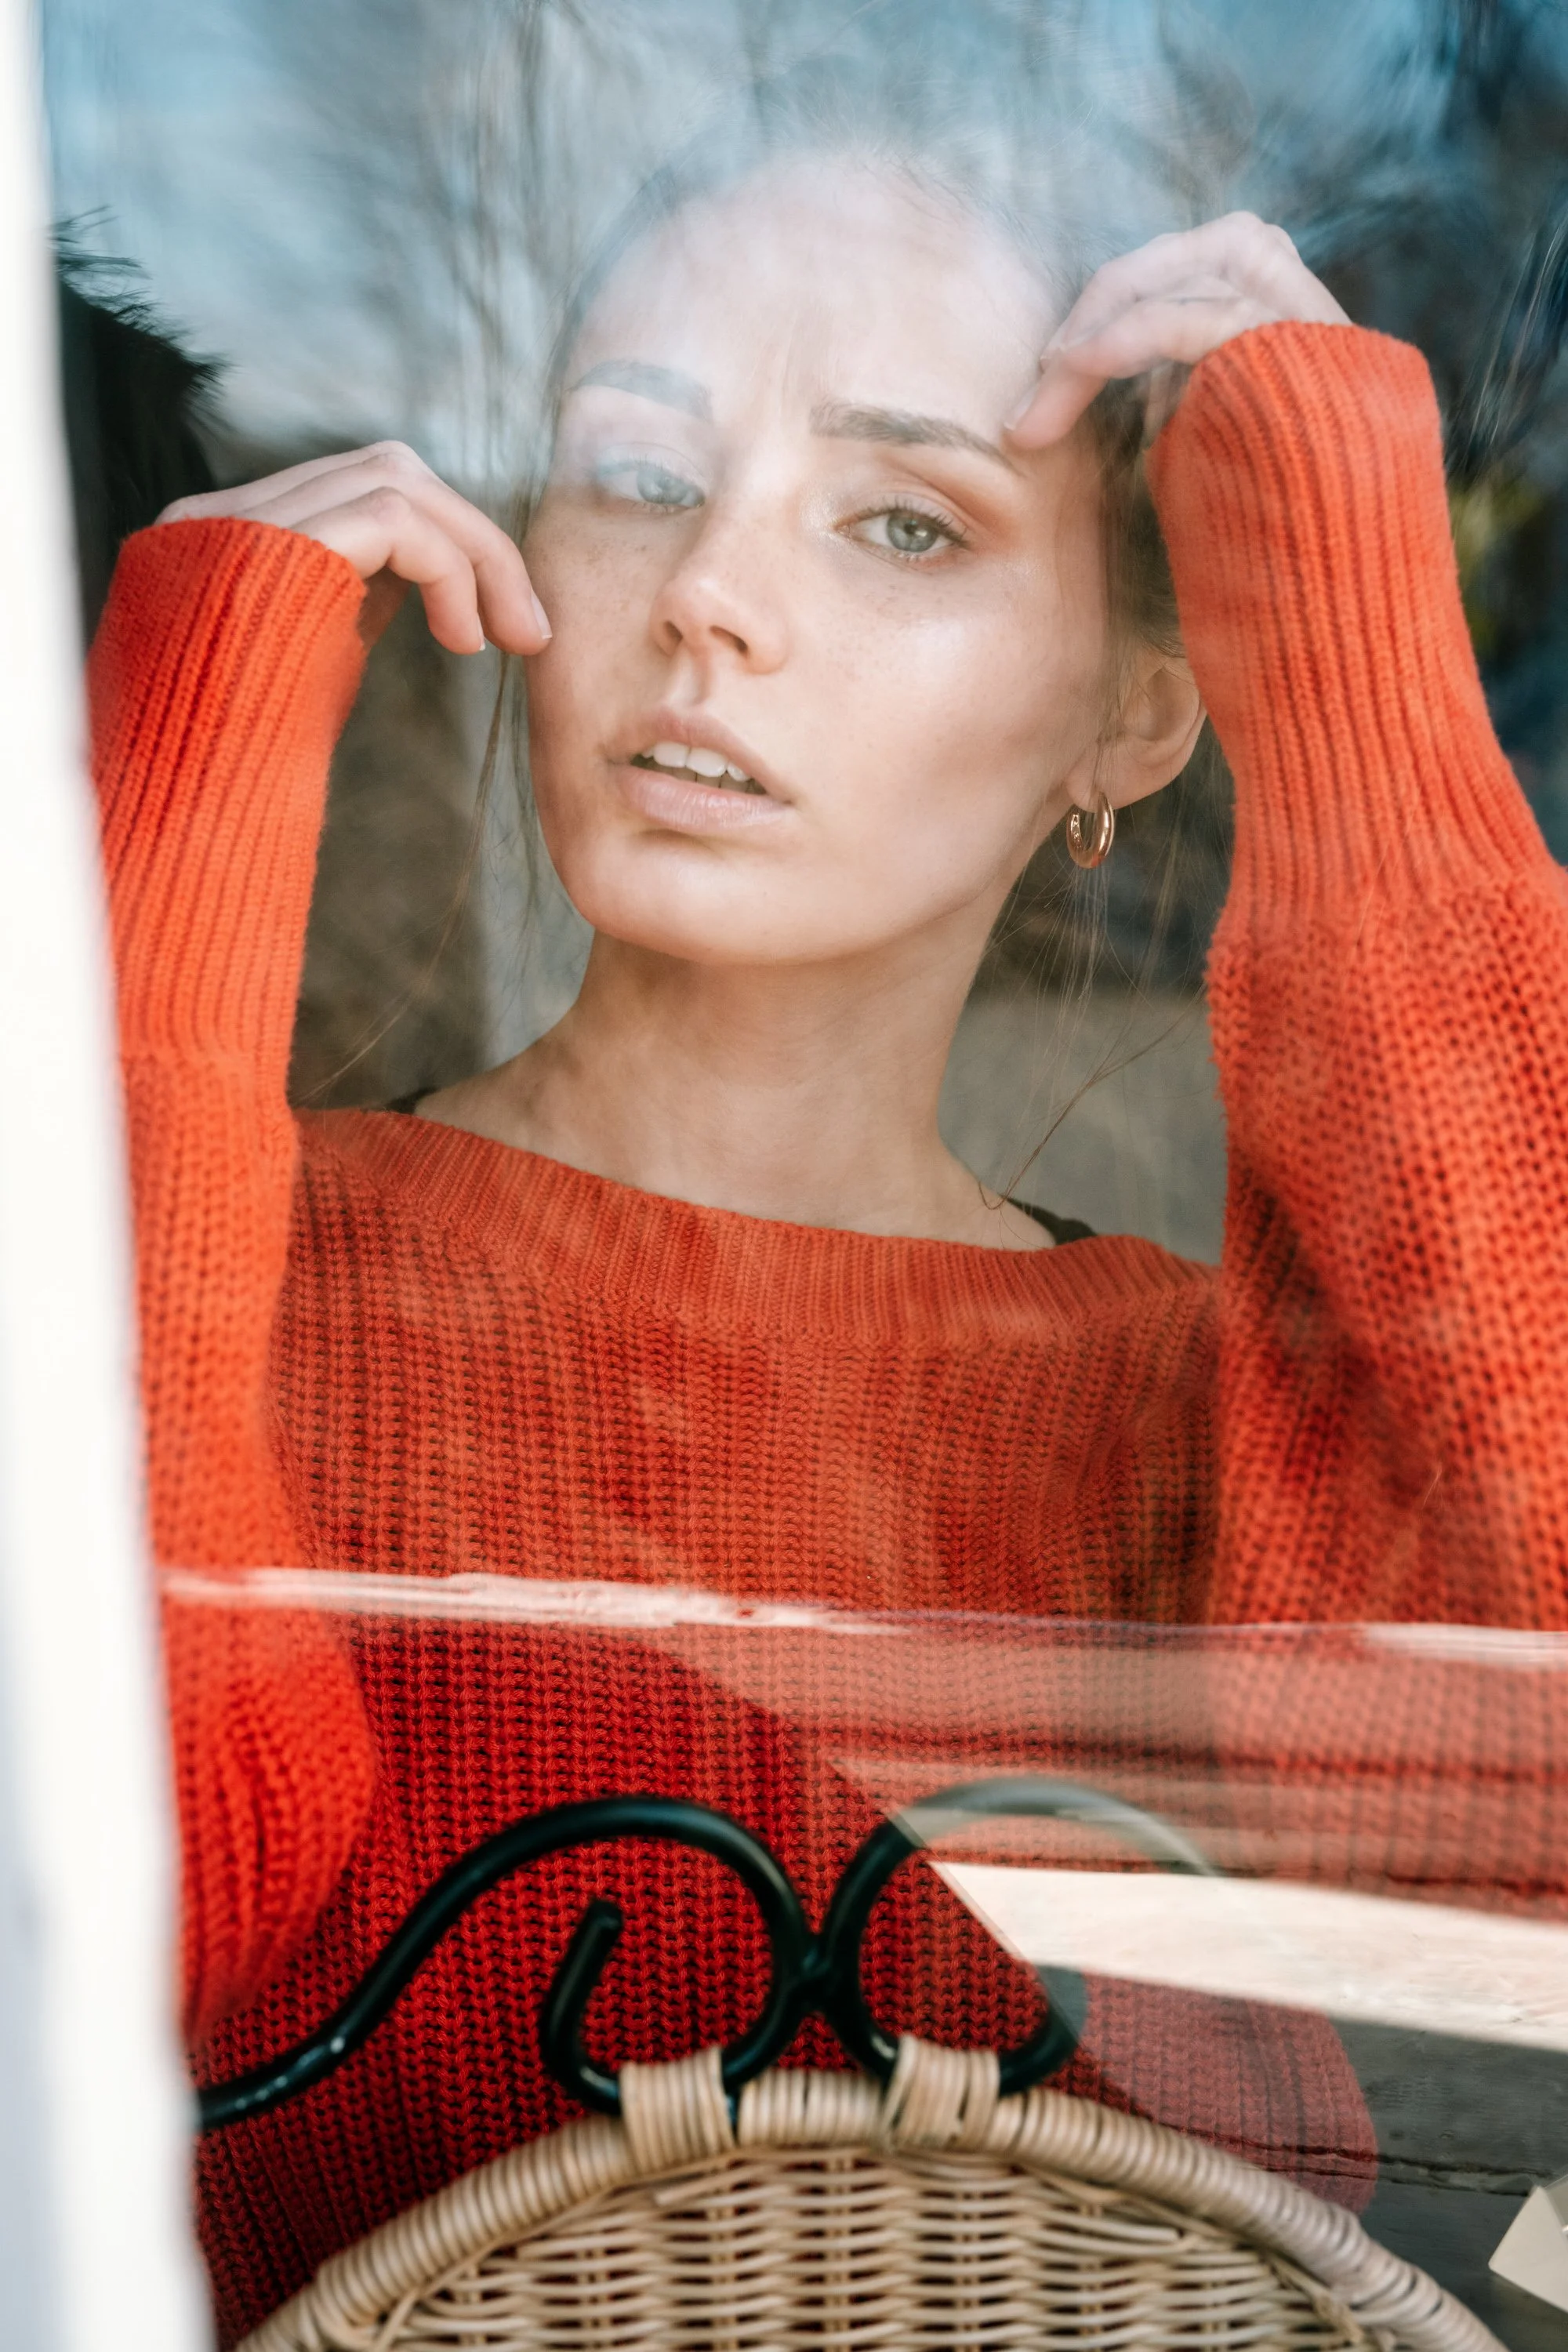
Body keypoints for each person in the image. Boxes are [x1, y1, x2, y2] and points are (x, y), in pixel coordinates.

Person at [88, 64, 1568, 2343]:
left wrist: (1356, 634)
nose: (704, 597)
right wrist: (168, 783)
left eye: (903, 523)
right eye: (638, 473)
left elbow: (1523, 1868)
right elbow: (130, 1944)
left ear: (1136, 716)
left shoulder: (1203, 1407)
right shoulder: (244, 1259)